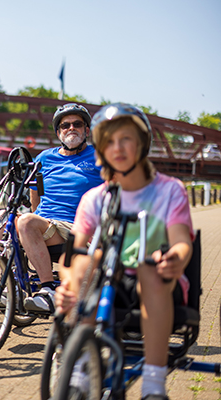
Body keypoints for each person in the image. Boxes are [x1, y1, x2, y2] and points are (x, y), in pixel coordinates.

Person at [55, 103, 193, 400]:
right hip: (106, 280)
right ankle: (79, 368)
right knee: (89, 259)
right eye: (109, 142)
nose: (117, 148)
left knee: (148, 266)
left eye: (125, 139)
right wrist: (67, 282)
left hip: (158, 281)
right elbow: (75, 250)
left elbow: (181, 240)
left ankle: (154, 384)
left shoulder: (169, 190)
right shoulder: (96, 198)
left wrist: (175, 258)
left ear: (141, 144)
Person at [0, 103, 103, 314]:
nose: (71, 128)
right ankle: (12, 285)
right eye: (65, 125)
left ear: (87, 130)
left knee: (27, 222)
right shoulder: (45, 157)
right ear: (58, 131)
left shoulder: (99, 157)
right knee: (1, 217)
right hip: (47, 224)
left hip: (77, 227)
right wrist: (37, 218)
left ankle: (48, 290)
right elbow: (36, 189)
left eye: (77, 124)